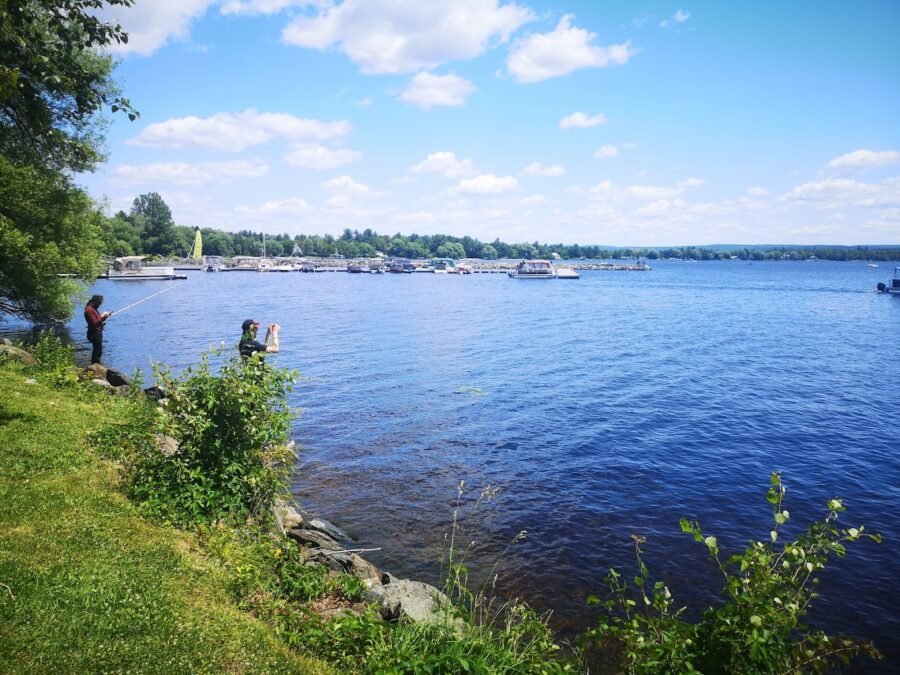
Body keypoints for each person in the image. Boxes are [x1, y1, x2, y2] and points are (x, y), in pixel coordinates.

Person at [84, 295, 111, 364]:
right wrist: (103, 316)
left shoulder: (92, 309)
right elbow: (95, 322)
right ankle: (95, 365)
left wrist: (102, 320)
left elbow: (96, 321)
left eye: (100, 303)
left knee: (98, 350)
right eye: (99, 303)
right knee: (97, 351)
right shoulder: (89, 310)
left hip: (95, 332)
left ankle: (95, 365)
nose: (100, 305)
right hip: (94, 334)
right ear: (95, 301)